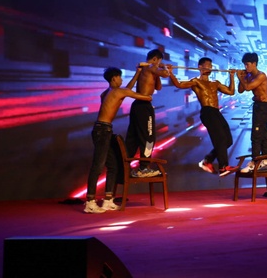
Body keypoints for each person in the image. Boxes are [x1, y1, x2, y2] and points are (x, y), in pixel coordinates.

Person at [84, 67, 152, 214]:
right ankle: (90, 202)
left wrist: (138, 73)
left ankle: (108, 200)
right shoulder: (118, 91)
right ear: (114, 78)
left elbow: (126, 90)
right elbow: (145, 97)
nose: (121, 80)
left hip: (103, 129)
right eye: (120, 77)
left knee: (113, 166)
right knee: (98, 166)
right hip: (103, 130)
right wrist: (148, 89)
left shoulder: (107, 93)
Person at [167, 58, 239, 177]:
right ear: (200, 67)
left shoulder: (215, 83)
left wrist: (231, 76)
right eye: (207, 65)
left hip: (216, 112)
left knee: (228, 140)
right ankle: (223, 167)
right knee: (220, 138)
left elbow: (231, 92)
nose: (209, 68)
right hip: (207, 111)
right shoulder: (196, 82)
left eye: (210, 65)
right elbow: (179, 85)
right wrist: (170, 72)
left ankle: (207, 160)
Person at [125, 49, 170, 177]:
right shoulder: (150, 66)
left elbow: (158, 87)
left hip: (139, 106)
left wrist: (158, 72)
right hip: (143, 106)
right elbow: (166, 74)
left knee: (134, 137)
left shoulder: (149, 69)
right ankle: (144, 167)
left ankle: (125, 167)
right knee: (149, 137)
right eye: (159, 61)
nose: (159, 64)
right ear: (155, 59)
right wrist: (165, 67)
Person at [237, 52, 267, 173]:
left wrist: (240, 77)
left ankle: (255, 162)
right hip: (257, 106)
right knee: (262, 134)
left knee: (256, 135)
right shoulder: (249, 76)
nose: (245, 67)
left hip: (263, 107)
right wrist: (242, 76)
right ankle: (265, 160)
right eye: (244, 65)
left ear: (254, 63)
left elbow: (247, 87)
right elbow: (240, 90)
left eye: (247, 64)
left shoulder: (261, 75)